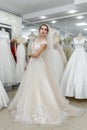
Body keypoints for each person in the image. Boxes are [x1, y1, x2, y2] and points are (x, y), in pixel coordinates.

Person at [8, 24, 83, 126]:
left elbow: (36, 54)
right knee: (31, 86)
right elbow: (32, 55)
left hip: (39, 65)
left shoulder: (45, 42)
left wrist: (29, 54)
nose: (43, 31)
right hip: (32, 66)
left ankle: (44, 107)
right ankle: (28, 106)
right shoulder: (36, 40)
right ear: (39, 30)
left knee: (41, 86)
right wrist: (28, 63)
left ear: (47, 32)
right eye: (41, 29)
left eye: (45, 30)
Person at [61, 33, 87, 99]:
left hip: (82, 55)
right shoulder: (74, 39)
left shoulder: (84, 38)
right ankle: (70, 91)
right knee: (72, 71)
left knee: (83, 70)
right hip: (75, 54)